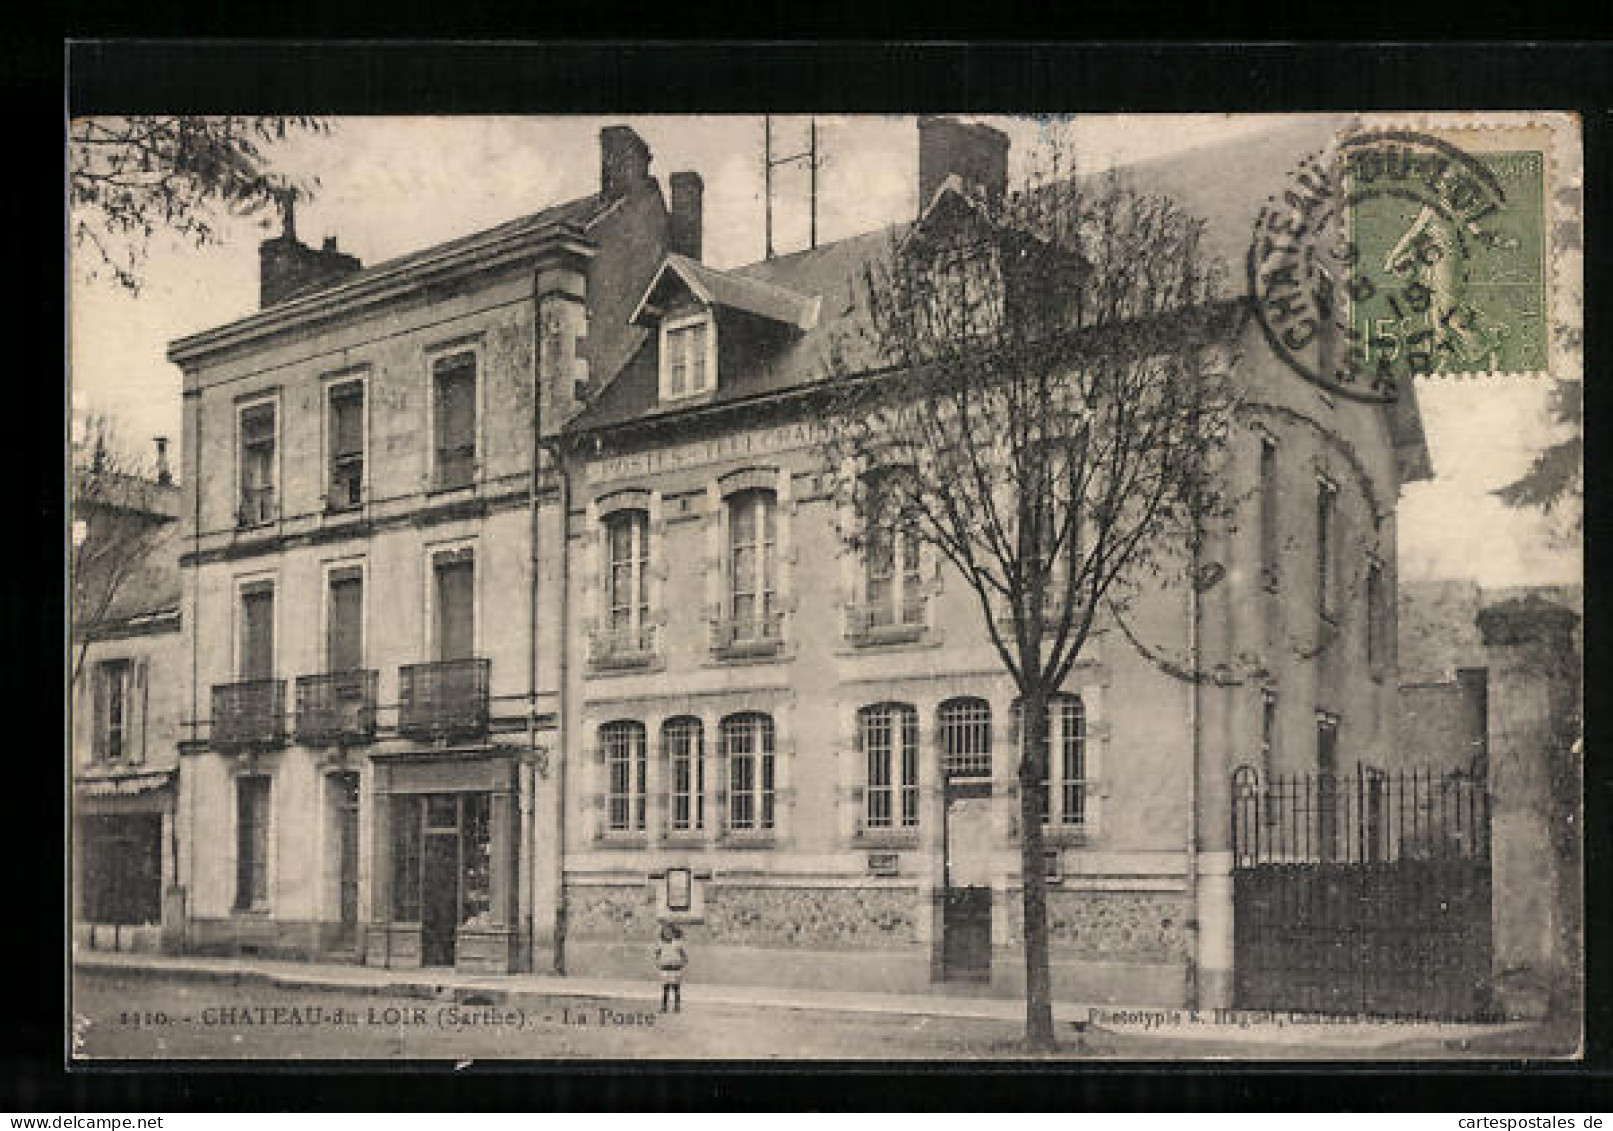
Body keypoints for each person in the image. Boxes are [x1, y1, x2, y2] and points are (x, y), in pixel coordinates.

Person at [654, 923, 688, 1013]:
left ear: (673, 933)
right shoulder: (660, 944)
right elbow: (657, 954)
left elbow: (684, 956)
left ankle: (677, 1007)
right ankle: (664, 1007)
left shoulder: (677, 943)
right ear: (663, 933)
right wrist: (658, 963)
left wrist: (682, 964)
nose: (667, 934)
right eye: (665, 932)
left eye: (669, 932)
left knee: (676, 988)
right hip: (665, 968)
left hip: (675, 969)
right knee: (665, 989)